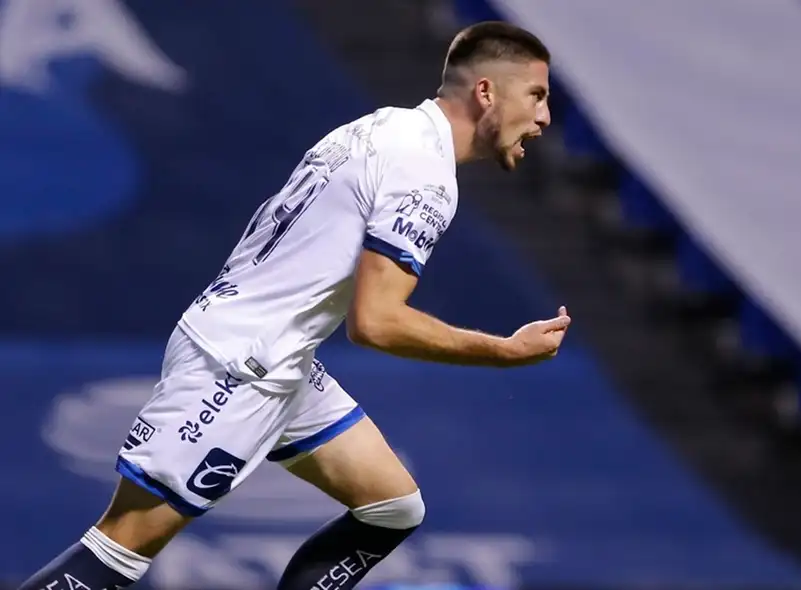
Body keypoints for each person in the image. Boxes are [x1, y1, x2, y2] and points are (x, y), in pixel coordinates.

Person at [17, 19, 566, 590]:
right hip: (239, 367)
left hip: (272, 352)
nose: (545, 117)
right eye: (537, 95)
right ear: (485, 92)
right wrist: (503, 351)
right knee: (119, 549)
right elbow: (376, 323)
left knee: (391, 506)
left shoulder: (380, 128)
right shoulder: (424, 176)